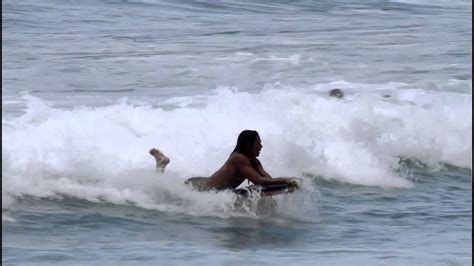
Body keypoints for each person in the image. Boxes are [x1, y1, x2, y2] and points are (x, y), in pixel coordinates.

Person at [149, 130, 298, 192]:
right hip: (201, 188)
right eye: (258, 143)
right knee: (163, 194)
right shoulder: (239, 158)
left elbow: (268, 180)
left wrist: (286, 186)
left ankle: (161, 165)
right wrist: (287, 180)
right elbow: (259, 181)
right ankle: (161, 164)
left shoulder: (254, 162)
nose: (261, 146)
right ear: (248, 145)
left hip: (206, 183)